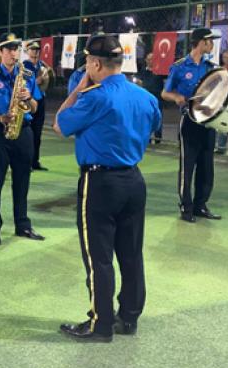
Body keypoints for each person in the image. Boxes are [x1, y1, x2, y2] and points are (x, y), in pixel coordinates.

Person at [53, 34, 161, 342]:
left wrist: (79, 87)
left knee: (98, 256)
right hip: (134, 181)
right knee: (131, 253)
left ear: (96, 64)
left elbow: (60, 124)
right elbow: (153, 126)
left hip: (100, 183)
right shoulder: (145, 96)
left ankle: (100, 324)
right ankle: (129, 317)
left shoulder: (94, 97)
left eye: (88, 62)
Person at [0, 33, 45, 245]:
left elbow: (35, 107)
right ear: (0, 52)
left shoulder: (27, 75)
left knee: (23, 180)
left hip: (23, 131)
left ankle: (22, 224)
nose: (14, 53)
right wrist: (0, 118)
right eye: (9, 49)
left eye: (16, 49)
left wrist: (28, 98)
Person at [162, 28, 222, 223]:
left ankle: (200, 205)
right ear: (201, 42)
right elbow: (165, 93)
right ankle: (186, 207)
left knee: (206, 166)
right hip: (189, 121)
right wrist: (177, 97)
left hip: (208, 122)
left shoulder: (211, 68)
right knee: (187, 167)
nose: (212, 44)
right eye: (210, 41)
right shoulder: (179, 67)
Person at [24, 40, 52, 171]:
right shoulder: (24, 66)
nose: (35, 52)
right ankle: (27, 162)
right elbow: (23, 83)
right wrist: (37, 81)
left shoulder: (42, 65)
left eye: (37, 50)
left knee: (37, 133)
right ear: (27, 51)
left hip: (41, 100)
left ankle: (35, 161)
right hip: (29, 100)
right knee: (28, 133)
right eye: (32, 49)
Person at [135, 52, 166, 143]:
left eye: (152, 59)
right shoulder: (142, 72)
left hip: (157, 98)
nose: (150, 61)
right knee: (146, 118)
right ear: (146, 60)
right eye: (149, 59)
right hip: (145, 99)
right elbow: (137, 81)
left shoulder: (160, 72)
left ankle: (158, 139)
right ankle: (147, 138)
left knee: (158, 118)